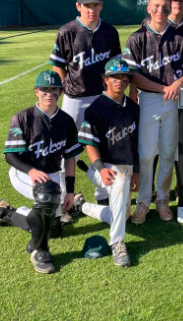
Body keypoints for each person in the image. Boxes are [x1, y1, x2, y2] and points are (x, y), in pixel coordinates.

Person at [0, 70, 83, 274]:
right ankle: (40, 251)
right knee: (47, 201)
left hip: (52, 175)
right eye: (45, 89)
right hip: (23, 173)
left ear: (61, 92)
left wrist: (70, 191)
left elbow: (69, 158)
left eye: (54, 90)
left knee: (54, 228)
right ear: (36, 92)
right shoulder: (22, 118)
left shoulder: (66, 121)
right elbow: (10, 156)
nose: (49, 94)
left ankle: (5, 212)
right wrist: (31, 171)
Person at [123, 0, 183, 224]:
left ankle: (163, 200)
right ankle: (143, 202)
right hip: (149, 99)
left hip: (174, 100)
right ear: (148, 8)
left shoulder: (178, 39)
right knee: (146, 154)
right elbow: (132, 76)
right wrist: (163, 88)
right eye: (156, 6)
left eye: (165, 7)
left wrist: (177, 83)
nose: (160, 11)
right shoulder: (136, 38)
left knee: (167, 153)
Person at [49, 0, 122, 213]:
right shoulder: (67, 31)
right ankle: (63, 198)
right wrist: (64, 88)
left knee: (104, 147)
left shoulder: (110, 32)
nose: (91, 9)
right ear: (78, 6)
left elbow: (116, 67)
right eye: (86, 5)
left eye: (95, 5)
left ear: (101, 6)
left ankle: (102, 193)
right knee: (68, 149)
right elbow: (58, 65)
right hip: (75, 99)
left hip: (102, 99)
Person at [75, 58, 140, 267]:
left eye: (123, 77)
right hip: (103, 168)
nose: (119, 81)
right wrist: (100, 168)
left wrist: (136, 171)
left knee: (121, 215)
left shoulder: (132, 107)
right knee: (119, 183)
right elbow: (90, 145)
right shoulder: (96, 108)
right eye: (115, 77)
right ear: (106, 80)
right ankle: (117, 243)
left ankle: (81, 206)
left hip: (127, 167)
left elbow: (135, 143)